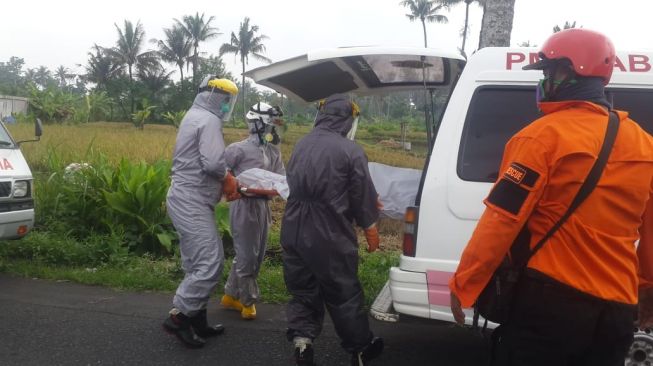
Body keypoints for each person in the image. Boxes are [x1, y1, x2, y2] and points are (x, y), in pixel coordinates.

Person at [448, 28, 653, 365]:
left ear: (569, 73)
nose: (543, 80)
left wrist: (466, 282)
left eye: (547, 71)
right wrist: (646, 290)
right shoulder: (644, 144)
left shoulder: (539, 138)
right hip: (617, 310)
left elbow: (501, 220)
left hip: (550, 304)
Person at [280, 94, 384, 366]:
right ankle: (360, 349)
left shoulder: (303, 143)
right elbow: (362, 196)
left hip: (292, 228)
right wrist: (370, 228)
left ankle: (303, 344)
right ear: (347, 120)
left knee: (303, 290)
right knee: (343, 293)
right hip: (329, 233)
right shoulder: (350, 151)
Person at [163, 76, 241, 348]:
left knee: (197, 261)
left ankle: (198, 320)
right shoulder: (208, 120)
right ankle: (179, 318)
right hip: (191, 199)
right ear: (215, 97)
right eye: (226, 99)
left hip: (188, 197)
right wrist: (229, 178)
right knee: (210, 261)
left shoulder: (195, 114)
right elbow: (212, 163)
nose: (227, 106)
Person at [220, 101, 286, 320]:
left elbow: (280, 179)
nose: (273, 130)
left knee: (255, 254)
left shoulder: (274, 152)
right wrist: (236, 187)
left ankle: (230, 295)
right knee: (247, 255)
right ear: (258, 124)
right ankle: (247, 301)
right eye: (270, 125)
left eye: (275, 126)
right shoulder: (237, 149)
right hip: (243, 205)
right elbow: (222, 175)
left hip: (263, 206)